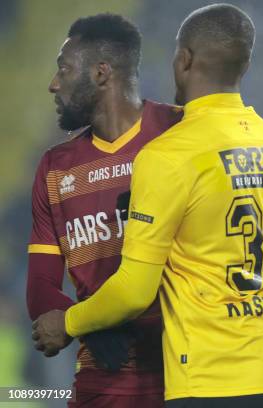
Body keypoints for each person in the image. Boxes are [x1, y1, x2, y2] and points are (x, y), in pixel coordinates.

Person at [32, 4, 263, 408]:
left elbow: (133, 290)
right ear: (245, 63)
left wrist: (70, 322)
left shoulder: (169, 153)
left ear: (183, 60)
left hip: (216, 379)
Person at [27, 13, 181, 407]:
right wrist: (96, 331)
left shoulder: (180, 132)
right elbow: (41, 288)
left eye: (64, 69)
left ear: (100, 73)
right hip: (102, 384)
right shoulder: (56, 166)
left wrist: (82, 322)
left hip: (186, 379)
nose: (53, 84)